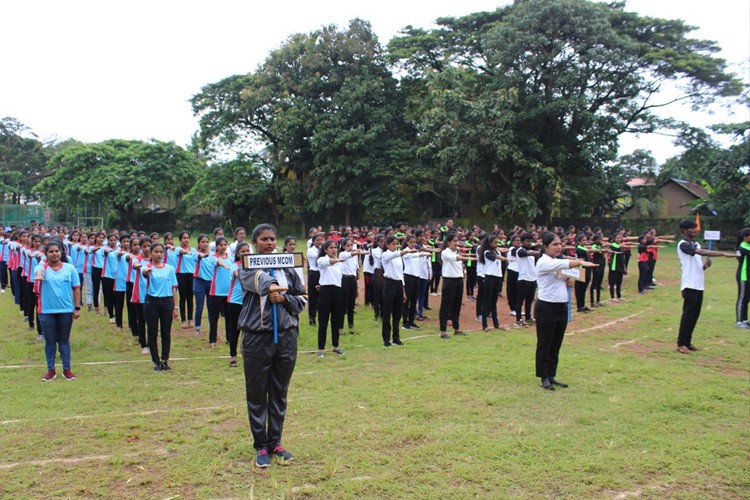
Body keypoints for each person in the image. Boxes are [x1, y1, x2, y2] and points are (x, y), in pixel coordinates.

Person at [238, 223, 307, 468]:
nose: (269, 243)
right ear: (255, 242)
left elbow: (302, 298)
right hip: (257, 337)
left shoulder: (288, 267)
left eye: (272, 239)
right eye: (264, 239)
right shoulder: (247, 266)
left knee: (280, 390)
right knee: (257, 393)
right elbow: (260, 280)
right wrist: (272, 288)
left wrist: (286, 298)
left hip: (286, 336)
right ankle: (261, 446)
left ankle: (276, 442)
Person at [534, 232, 598, 390]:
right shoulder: (543, 262)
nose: (559, 247)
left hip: (561, 305)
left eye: (560, 244)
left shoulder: (557, 261)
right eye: (555, 244)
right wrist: (581, 263)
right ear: (545, 246)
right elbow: (566, 265)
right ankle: (544, 377)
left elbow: (569, 278)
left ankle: (552, 374)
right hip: (546, 307)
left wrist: (570, 281)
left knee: (556, 343)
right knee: (545, 343)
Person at [676, 219, 735, 353]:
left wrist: (705, 266)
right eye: (691, 228)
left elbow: (697, 265)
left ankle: (688, 342)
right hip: (689, 284)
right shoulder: (683, 244)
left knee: (695, 315)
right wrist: (722, 253)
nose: (694, 230)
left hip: (698, 284)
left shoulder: (695, 243)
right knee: (688, 315)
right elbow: (701, 252)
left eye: (695, 227)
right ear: (684, 230)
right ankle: (681, 344)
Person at [34, 240, 82, 381]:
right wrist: (42, 265)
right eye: (51, 251)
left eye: (57, 251)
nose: (54, 254)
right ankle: (51, 370)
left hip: (66, 310)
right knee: (50, 341)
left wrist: (77, 307)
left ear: (61, 252)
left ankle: (67, 370)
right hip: (46, 311)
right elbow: (38, 275)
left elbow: (76, 288)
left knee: (64, 341)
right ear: (46, 254)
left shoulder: (69, 268)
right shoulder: (40, 268)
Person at [142, 242, 179, 371]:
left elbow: (174, 288)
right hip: (151, 302)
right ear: (151, 253)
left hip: (167, 302)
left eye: (160, 252)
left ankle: (164, 359)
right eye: (156, 252)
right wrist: (147, 271)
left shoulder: (169, 269)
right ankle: (155, 361)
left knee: (166, 332)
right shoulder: (147, 267)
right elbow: (144, 272)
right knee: (152, 332)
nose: (158, 255)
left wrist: (175, 307)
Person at [438, 232, 476, 339]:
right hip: (449, 281)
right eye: (454, 241)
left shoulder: (456, 252)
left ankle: (457, 328)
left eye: (457, 241)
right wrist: (469, 258)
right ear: (448, 242)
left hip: (458, 280)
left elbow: (459, 258)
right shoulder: (445, 252)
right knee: (446, 306)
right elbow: (457, 258)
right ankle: (443, 331)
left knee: (457, 305)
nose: (456, 243)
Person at [316, 240, 346, 357]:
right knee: (323, 321)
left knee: (336, 320)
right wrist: (337, 260)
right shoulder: (322, 260)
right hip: (326, 291)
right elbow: (328, 263)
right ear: (325, 250)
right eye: (331, 248)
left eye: (335, 247)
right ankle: (321, 349)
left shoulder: (339, 263)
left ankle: (336, 346)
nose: (334, 250)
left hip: (337, 291)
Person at [736, 228, 750, 329]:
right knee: (742, 299)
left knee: (747, 299)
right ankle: (739, 321)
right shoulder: (742, 248)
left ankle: (745, 320)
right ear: (745, 237)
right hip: (743, 276)